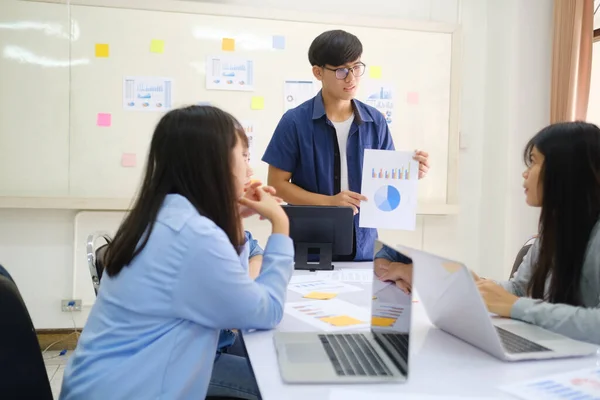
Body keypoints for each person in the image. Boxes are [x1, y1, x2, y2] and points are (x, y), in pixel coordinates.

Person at [60, 105, 294, 400]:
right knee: (282, 382)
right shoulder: (193, 234)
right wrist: (281, 225)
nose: (250, 170)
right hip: (130, 390)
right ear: (213, 163)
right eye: (243, 156)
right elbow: (264, 312)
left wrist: (233, 217)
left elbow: (234, 297)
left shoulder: (167, 214)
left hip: (101, 382)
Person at [262, 29, 430, 261]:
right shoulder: (294, 121)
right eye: (341, 70)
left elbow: (386, 182)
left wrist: (411, 171)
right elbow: (277, 185)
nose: (351, 78)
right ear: (318, 72)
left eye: (356, 67)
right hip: (311, 243)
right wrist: (330, 203)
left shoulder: (375, 121)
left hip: (363, 244)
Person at [473, 121, 600, 345]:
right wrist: (472, 286)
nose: (525, 174)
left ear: (565, 169)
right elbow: (519, 289)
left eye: (533, 161)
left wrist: (516, 307)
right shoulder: (555, 229)